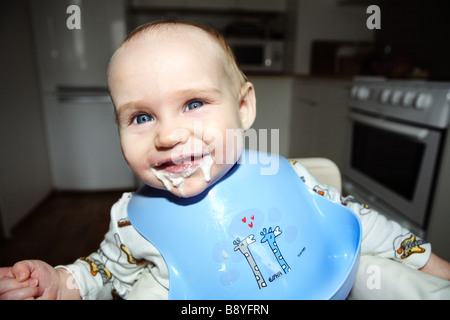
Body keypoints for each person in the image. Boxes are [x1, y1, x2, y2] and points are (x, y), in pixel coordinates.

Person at [1, 20, 449, 300]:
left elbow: (358, 223)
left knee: (377, 273)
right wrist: (61, 282)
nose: (169, 134)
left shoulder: (287, 178)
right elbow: (102, 269)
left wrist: (433, 267)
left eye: (194, 103)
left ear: (244, 107)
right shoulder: (130, 222)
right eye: (140, 116)